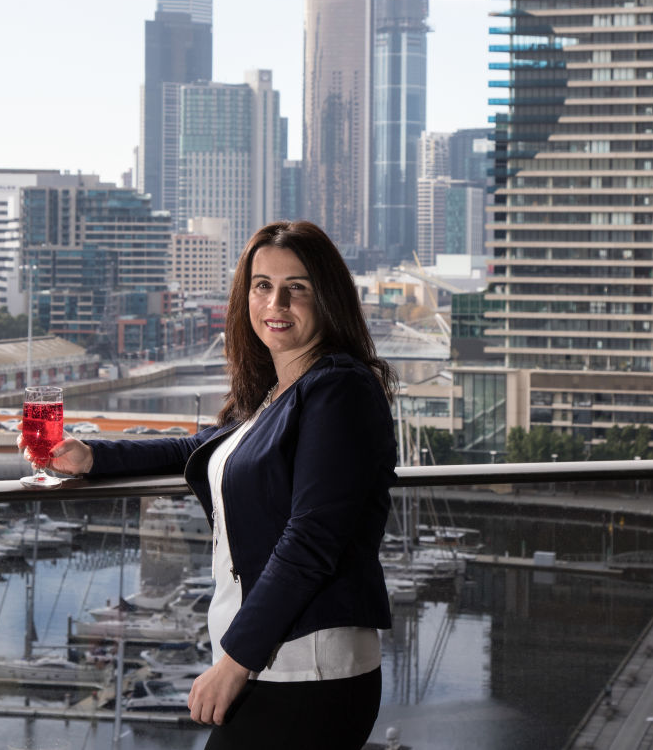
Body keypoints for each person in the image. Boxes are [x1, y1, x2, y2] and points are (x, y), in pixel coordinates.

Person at [20, 220, 399, 749]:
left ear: (328, 297)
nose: (277, 302)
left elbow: (313, 539)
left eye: (298, 287)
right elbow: (198, 449)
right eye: (262, 285)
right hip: (275, 662)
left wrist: (233, 663)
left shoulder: (339, 389)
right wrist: (90, 457)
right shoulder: (282, 391)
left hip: (308, 670)